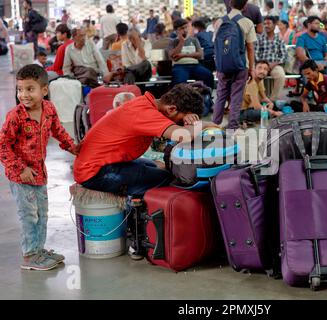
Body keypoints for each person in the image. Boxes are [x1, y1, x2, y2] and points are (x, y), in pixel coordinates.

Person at [0, 64, 79, 271]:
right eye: (20, 89)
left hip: (39, 174)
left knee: (42, 213)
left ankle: (38, 249)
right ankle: (29, 256)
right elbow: (3, 146)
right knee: (28, 214)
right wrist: (21, 169)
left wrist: (73, 147)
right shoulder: (15, 116)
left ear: (44, 90)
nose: (23, 95)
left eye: (29, 89)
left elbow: (58, 131)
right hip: (20, 176)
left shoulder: (49, 109)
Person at [73, 84, 218, 197]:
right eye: (180, 121)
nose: (180, 124)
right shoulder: (144, 113)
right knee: (171, 178)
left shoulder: (146, 104)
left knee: (159, 166)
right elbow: (182, 135)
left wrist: (187, 124)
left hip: (103, 163)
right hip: (95, 173)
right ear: (172, 109)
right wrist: (203, 124)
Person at [213, 0, 257, 130]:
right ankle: (232, 127)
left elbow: (216, 46)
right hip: (241, 66)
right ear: (245, 6)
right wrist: (251, 68)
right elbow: (250, 48)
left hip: (222, 66)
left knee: (220, 95)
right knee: (236, 97)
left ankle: (214, 126)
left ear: (230, 5)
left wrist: (218, 66)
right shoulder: (247, 22)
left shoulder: (219, 22)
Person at [168, 19, 214, 90]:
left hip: (195, 65)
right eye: (182, 28)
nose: (185, 30)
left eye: (186, 27)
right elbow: (173, 55)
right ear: (176, 30)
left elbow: (200, 55)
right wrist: (181, 42)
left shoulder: (194, 40)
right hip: (180, 66)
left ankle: (207, 96)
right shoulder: (173, 41)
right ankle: (181, 99)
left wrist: (183, 55)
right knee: (179, 82)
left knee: (209, 75)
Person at [296, 16, 327, 83]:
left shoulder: (321, 38)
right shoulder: (302, 38)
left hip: (322, 63)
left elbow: (326, 53)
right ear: (309, 25)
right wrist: (314, 64)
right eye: (316, 23)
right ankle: (310, 93)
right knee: (310, 76)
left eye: (319, 24)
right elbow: (300, 55)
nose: (319, 26)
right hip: (309, 64)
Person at [240, 60, 283, 126]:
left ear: (268, 72)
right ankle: (243, 120)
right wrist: (274, 113)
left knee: (274, 104)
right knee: (267, 114)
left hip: (250, 107)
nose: (262, 71)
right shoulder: (251, 83)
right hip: (241, 112)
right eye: (259, 68)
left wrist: (270, 103)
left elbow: (264, 97)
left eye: (265, 69)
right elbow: (257, 106)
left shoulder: (260, 80)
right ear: (254, 69)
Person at [255, 16, 287, 101]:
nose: (266, 26)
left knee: (280, 75)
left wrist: (273, 64)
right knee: (257, 74)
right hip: (261, 64)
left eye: (269, 23)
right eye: (264, 24)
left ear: (274, 25)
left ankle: (273, 100)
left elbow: (283, 56)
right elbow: (256, 54)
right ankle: (259, 99)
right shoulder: (259, 39)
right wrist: (264, 65)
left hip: (275, 65)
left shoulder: (279, 39)